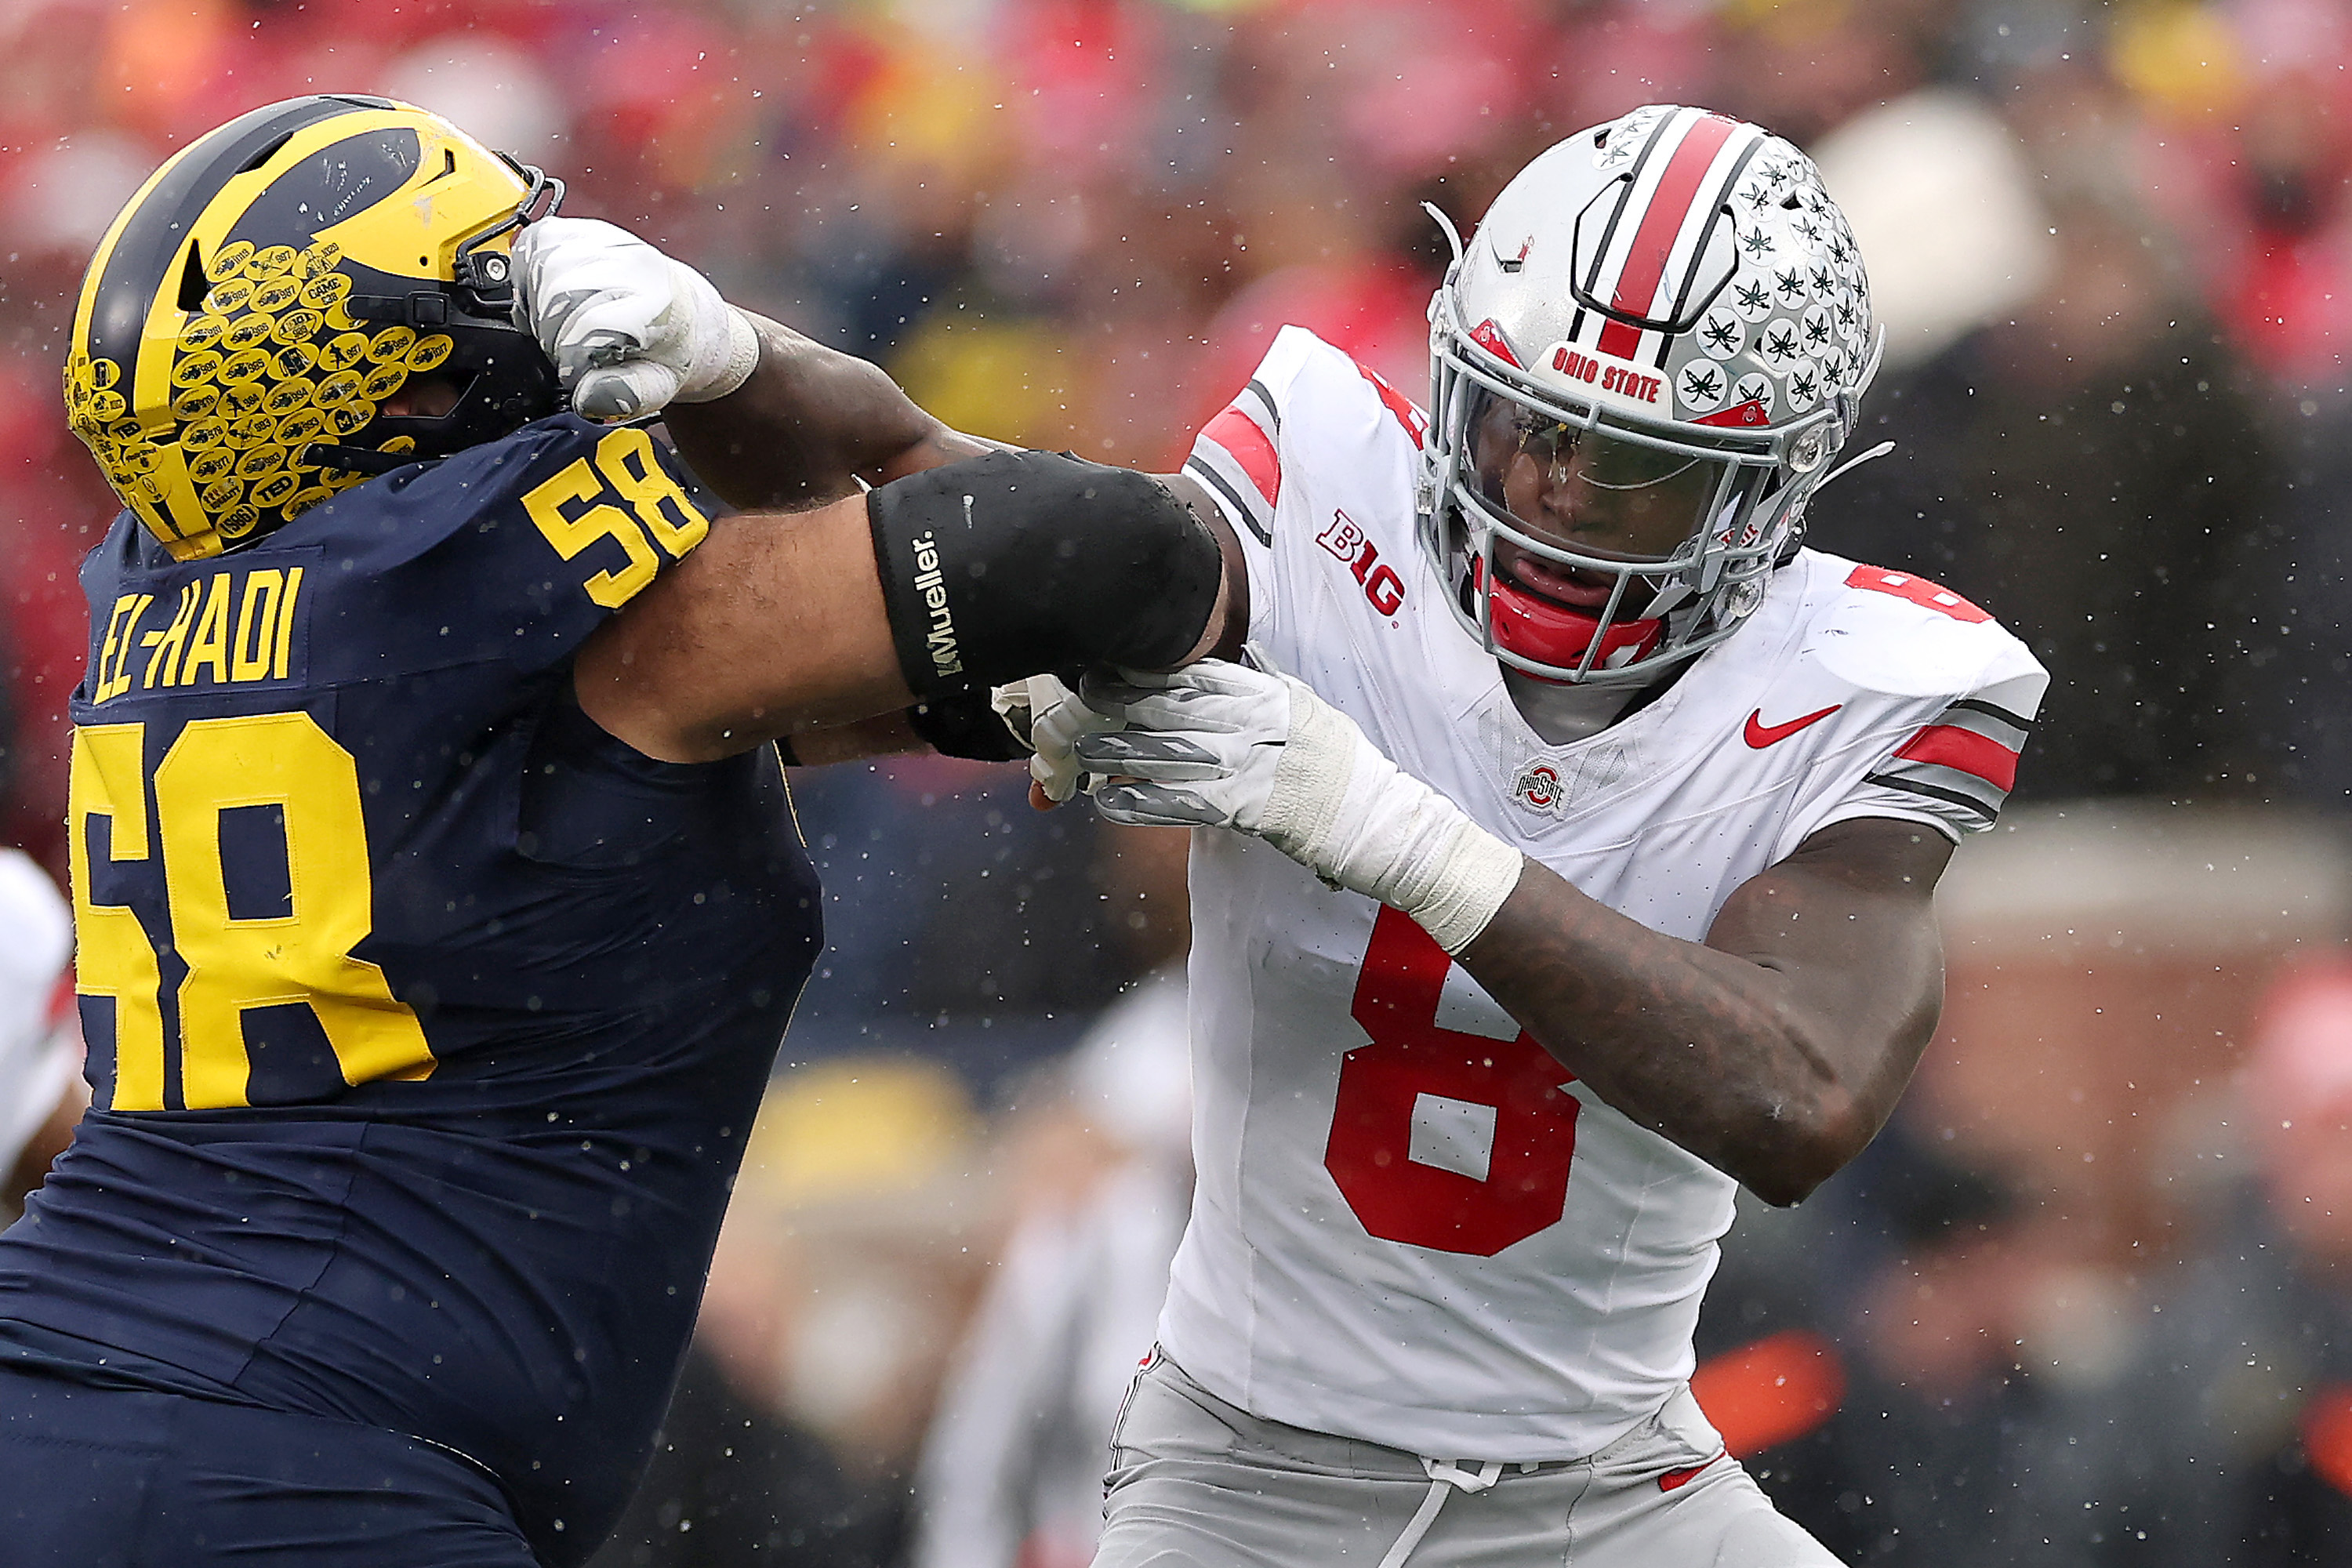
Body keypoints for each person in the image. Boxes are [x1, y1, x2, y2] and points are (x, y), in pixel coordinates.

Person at [0, 93, 1236, 1566]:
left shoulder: (174, 610)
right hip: (305, 1472)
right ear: (416, 371)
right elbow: (1125, 554)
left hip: (80, 1399)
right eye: (510, 266)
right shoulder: (599, 631)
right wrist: (747, 364)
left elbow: (945, 671)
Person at [1022, 103, 2051, 1566]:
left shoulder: (1855, 683)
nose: (1552, 491)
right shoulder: (1326, 498)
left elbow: (1799, 1099)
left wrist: (1391, 831)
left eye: (1631, 466)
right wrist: (1033, 625)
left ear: (1762, 491)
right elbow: (1052, 578)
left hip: (1612, 1487)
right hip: (1254, 1481)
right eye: (1525, 427)